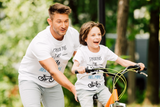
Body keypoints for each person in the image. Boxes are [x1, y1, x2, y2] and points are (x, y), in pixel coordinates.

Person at [18, 3, 80, 107]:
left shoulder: (73, 35)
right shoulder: (41, 42)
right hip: (31, 79)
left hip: (53, 84)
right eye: (59, 21)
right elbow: (54, 71)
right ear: (50, 21)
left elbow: (80, 57)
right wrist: (73, 88)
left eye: (66, 21)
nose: (63, 25)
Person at [71, 21, 145, 107]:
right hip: (84, 89)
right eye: (93, 35)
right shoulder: (82, 51)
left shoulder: (104, 50)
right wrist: (79, 69)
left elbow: (122, 61)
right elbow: (73, 68)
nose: (97, 37)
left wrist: (136, 65)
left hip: (100, 88)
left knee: (113, 105)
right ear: (85, 38)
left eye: (99, 34)